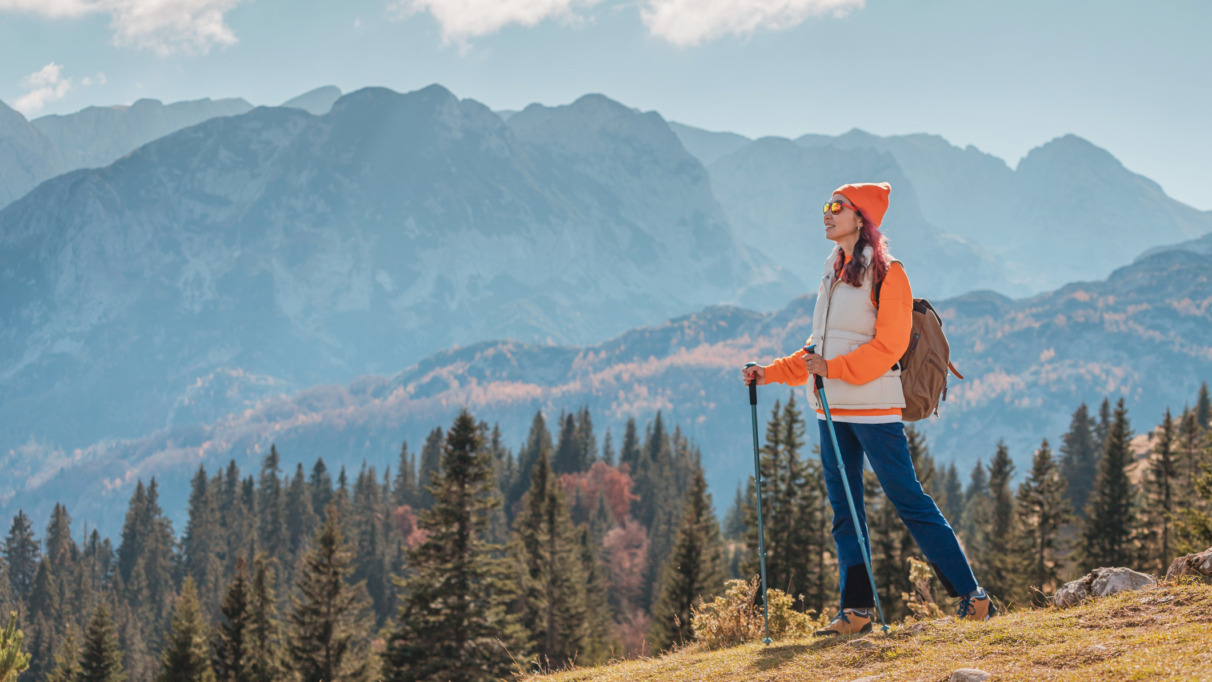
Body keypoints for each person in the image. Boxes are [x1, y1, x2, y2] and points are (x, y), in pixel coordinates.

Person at [740, 182, 995, 636]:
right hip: (831, 410)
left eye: (837, 207)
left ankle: (973, 598)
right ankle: (856, 611)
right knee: (845, 512)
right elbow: (818, 348)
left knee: (908, 499)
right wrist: (770, 372)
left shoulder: (889, 273)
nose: (827, 212)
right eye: (826, 205)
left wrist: (833, 368)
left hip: (874, 409)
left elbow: (889, 346)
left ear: (861, 218)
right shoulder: (832, 269)